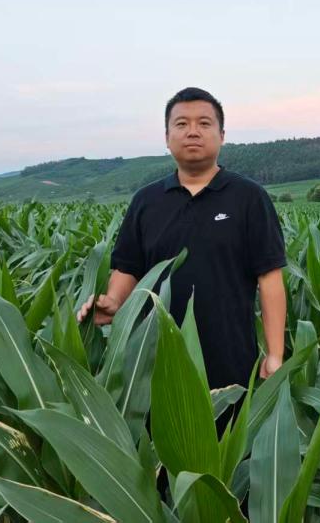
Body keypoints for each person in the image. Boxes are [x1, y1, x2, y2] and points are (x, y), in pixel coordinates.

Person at [77, 87, 288, 394]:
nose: (192, 131)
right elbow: (128, 268)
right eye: (181, 124)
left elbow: (270, 278)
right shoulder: (146, 201)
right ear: (167, 137)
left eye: (204, 123)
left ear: (222, 135)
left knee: (229, 424)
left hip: (231, 362)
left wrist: (275, 353)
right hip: (153, 360)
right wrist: (114, 301)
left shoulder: (249, 197)